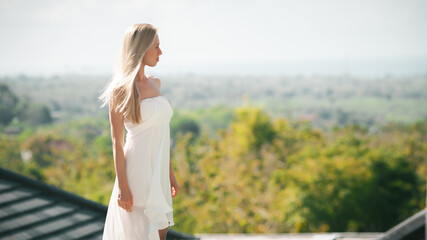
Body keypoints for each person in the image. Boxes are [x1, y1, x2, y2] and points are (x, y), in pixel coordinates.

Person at [99, 23, 179, 240]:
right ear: (141, 49)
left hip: (159, 173)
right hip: (137, 173)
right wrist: (123, 187)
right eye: (156, 47)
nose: (160, 52)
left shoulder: (156, 83)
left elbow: (162, 134)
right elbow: (117, 142)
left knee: (160, 234)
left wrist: (170, 175)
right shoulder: (120, 91)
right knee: (139, 234)